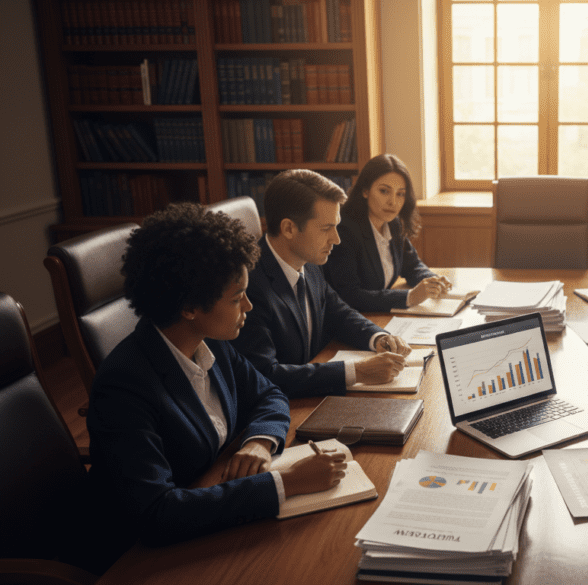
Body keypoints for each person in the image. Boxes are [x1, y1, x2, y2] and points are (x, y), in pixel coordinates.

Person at [87, 203, 348, 561]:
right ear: (190, 307)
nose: (249, 307)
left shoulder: (209, 343)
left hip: (211, 514)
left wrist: (259, 442)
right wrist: (285, 482)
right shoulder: (124, 385)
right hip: (142, 559)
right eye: (237, 297)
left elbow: (269, 394)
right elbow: (157, 514)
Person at [232, 169, 410, 399]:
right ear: (289, 229)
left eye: (336, 226)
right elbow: (265, 374)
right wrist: (356, 372)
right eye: (326, 228)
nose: (336, 239)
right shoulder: (249, 286)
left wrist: (378, 337)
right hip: (280, 409)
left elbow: (337, 311)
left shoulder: (309, 259)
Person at [323, 153, 452, 312]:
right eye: (384, 191)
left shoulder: (394, 224)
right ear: (365, 191)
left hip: (378, 314)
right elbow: (349, 295)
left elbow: (412, 266)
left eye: (400, 193)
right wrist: (410, 297)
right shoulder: (345, 230)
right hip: (350, 319)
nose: (393, 202)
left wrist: (432, 281)